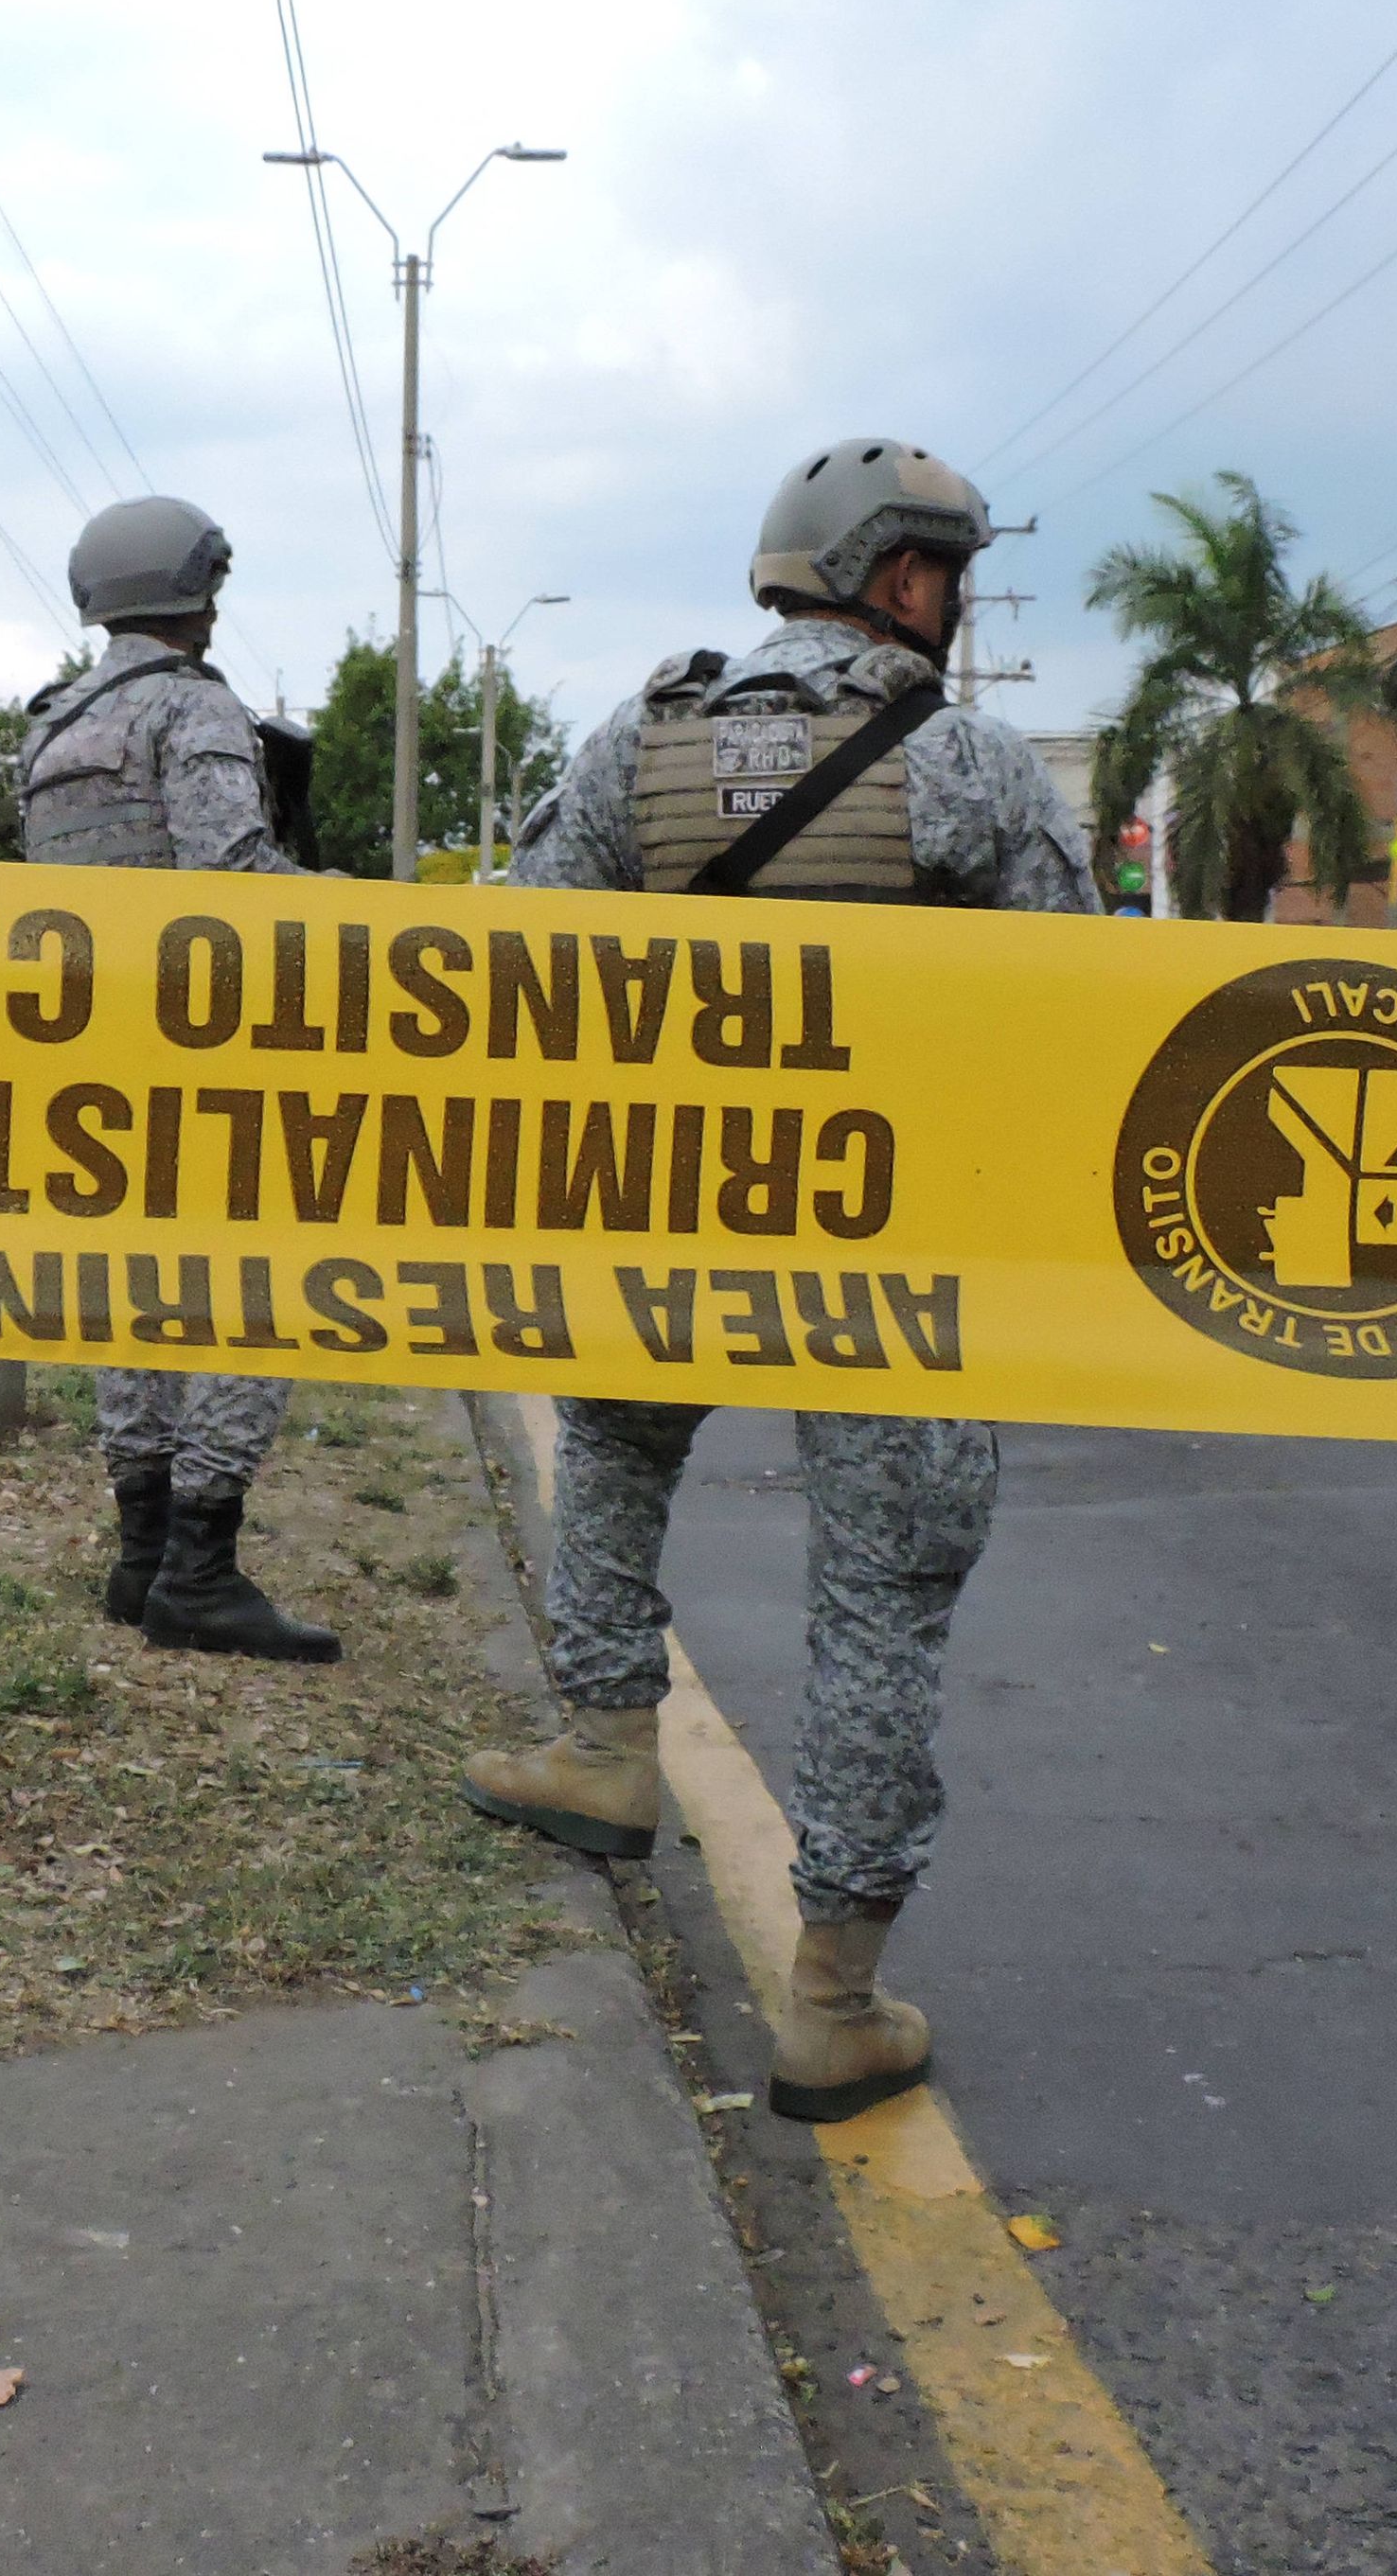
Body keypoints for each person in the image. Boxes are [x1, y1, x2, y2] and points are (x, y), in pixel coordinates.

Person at [458, 438, 1097, 2120]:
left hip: (675, 1201)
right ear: (899, 579)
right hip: (892, 1231)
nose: (955, 605)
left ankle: (603, 1753)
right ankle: (832, 1997)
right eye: (950, 573)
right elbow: (1081, 1006)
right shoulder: (970, 764)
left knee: (612, 1439)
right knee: (879, 1589)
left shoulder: (643, 735)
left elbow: (524, 953)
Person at [16, 494, 338, 1667]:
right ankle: (201, 1566)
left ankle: (141, 1552)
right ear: (196, 591)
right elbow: (235, 875)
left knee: (130, 1301)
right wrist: (352, 903)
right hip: (209, 1054)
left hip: (97, 1060)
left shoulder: (52, 731)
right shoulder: (192, 707)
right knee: (264, 1299)